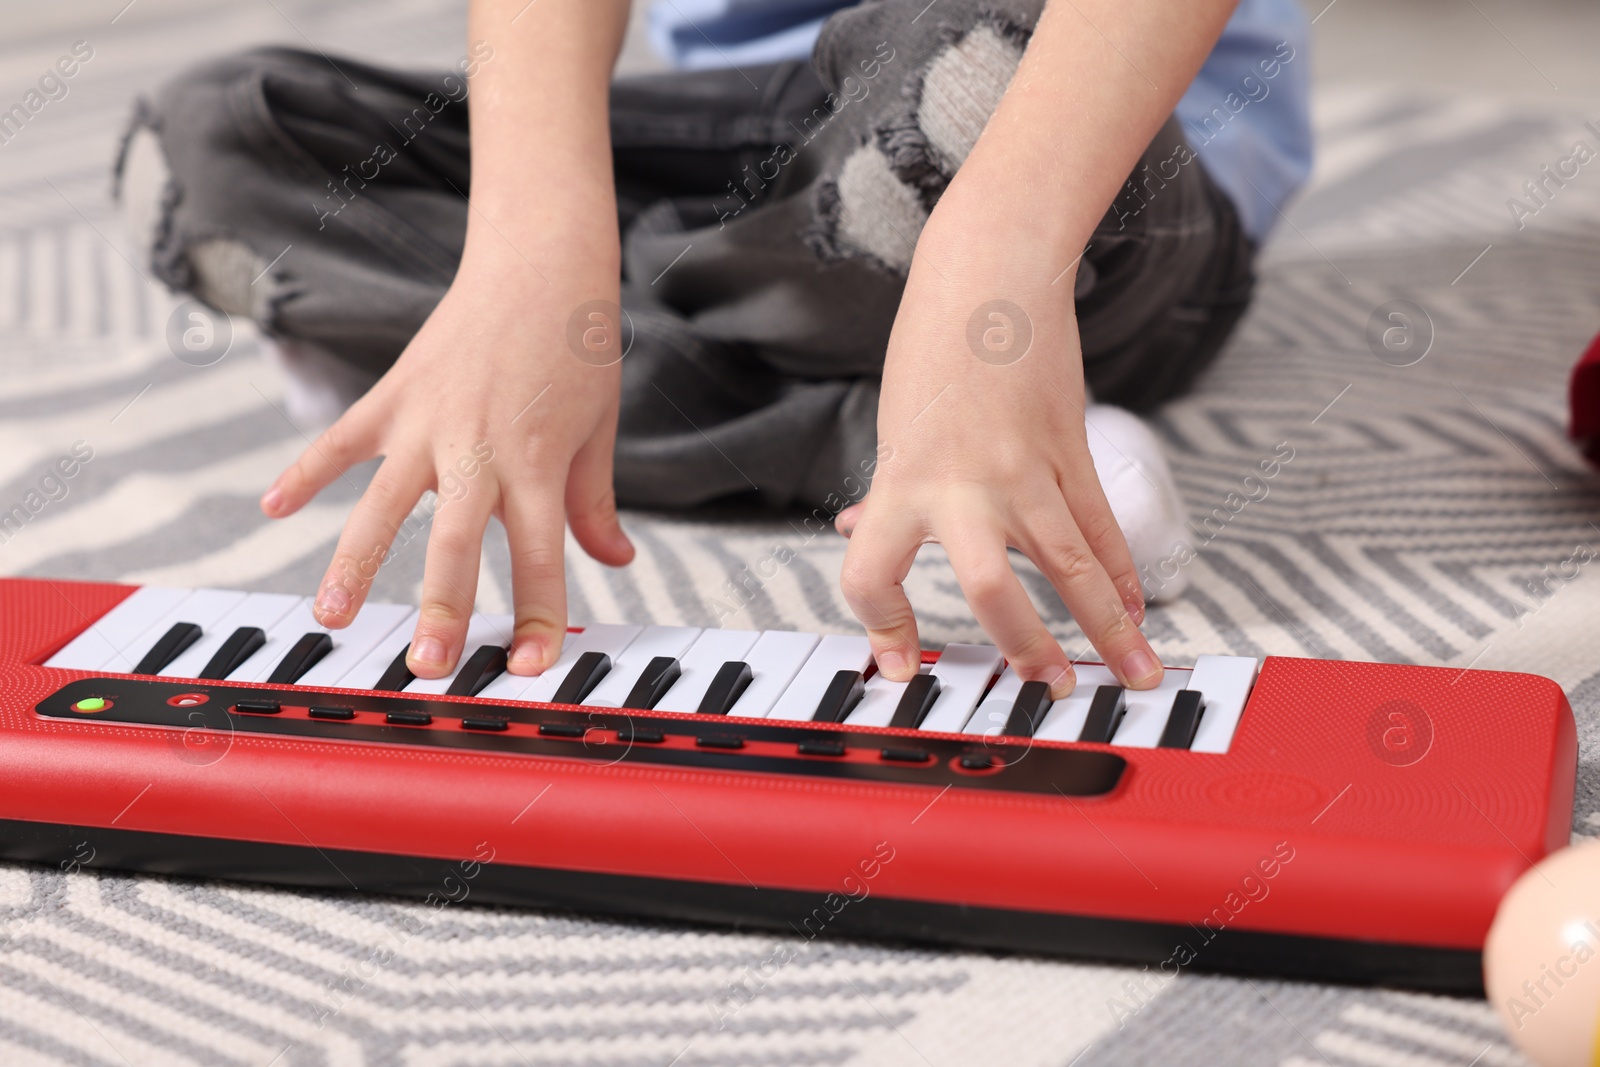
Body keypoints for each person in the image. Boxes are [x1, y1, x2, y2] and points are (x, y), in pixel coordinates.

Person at [116, 0, 1310, 699]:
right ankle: (883, 429)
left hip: (1078, 138)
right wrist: (533, 243)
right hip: (775, 141)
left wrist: (992, 266)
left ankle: (431, 333)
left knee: (954, 96)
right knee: (206, 151)